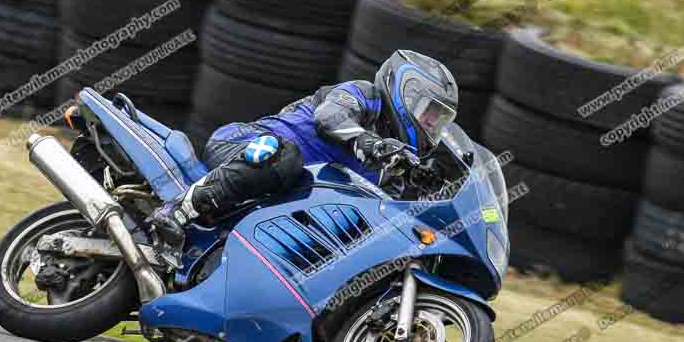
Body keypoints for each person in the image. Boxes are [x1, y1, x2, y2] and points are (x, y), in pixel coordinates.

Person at [149, 50, 459, 245]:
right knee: (286, 158)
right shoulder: (364, 96)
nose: (432, 126)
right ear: (406, 93)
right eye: (429, 114)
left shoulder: (389, 170)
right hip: (244, 146)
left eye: (440, 121)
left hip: (280, 195)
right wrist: (371, 143)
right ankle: (176, 209)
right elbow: (329, 117)